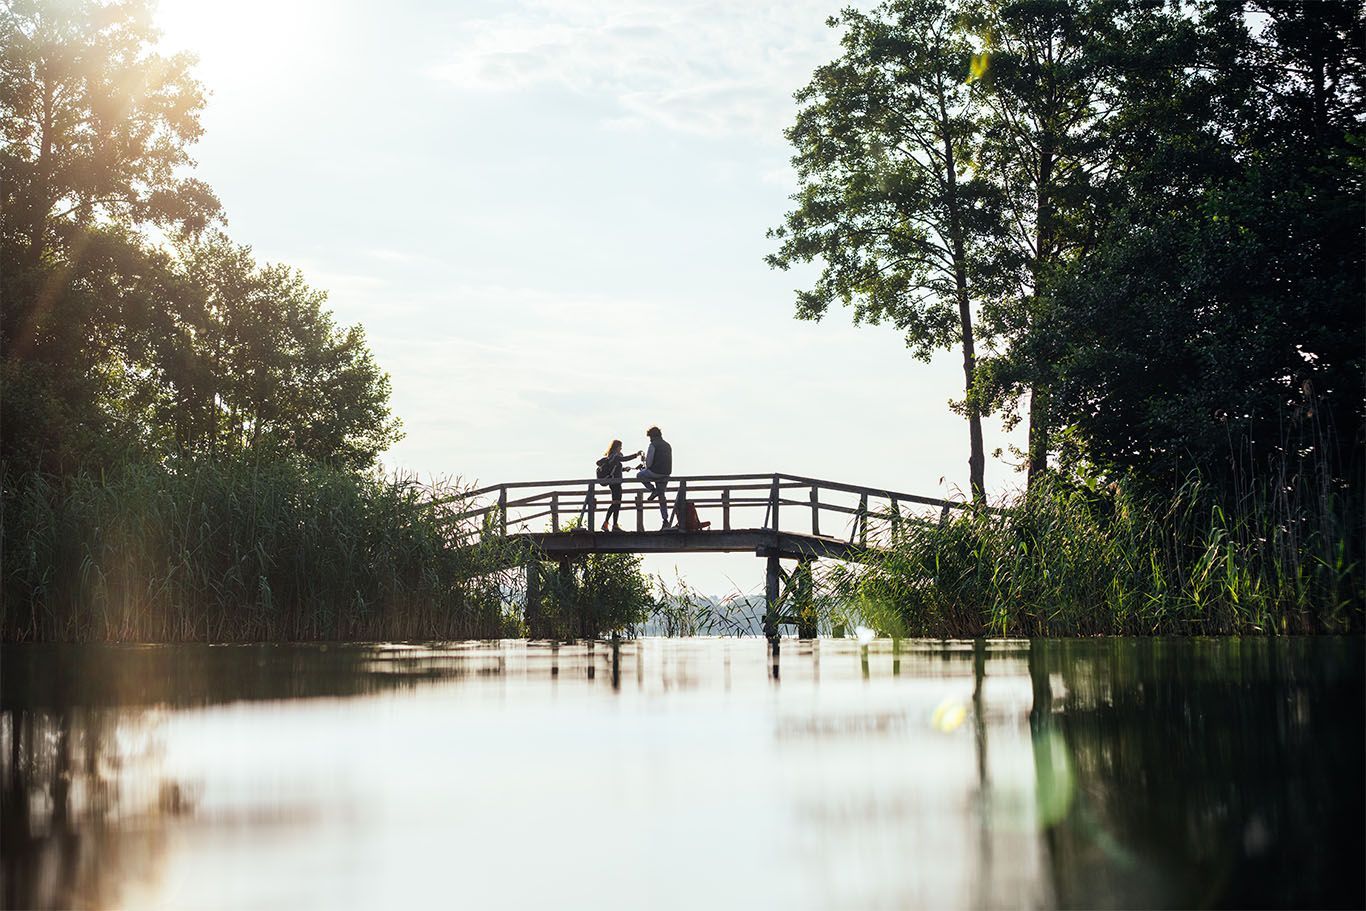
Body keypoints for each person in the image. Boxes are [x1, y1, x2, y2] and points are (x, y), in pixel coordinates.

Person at [595, 439, 640, 532]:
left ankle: (612, 524)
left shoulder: (611, 457)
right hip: (615, 484)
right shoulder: (615, 456)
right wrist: (636, 455)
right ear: (616, 447)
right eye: (620, 446)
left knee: (616, 503)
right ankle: (608, 524)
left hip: (615, 483)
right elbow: (625, 459)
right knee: (616, 503)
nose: (621, 448)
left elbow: (615, 469)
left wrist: (624, 469)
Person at [636, 425, 673, 528]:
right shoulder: (667, 445)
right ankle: (665, 520)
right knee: (662, 496)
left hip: (655, 472)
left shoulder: (653, 445)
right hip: (666, 473)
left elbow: (649, 463)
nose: (650, 439)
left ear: (652, 436)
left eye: (650, 437)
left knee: (639, 475)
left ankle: (653, 490)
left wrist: (644, 466)